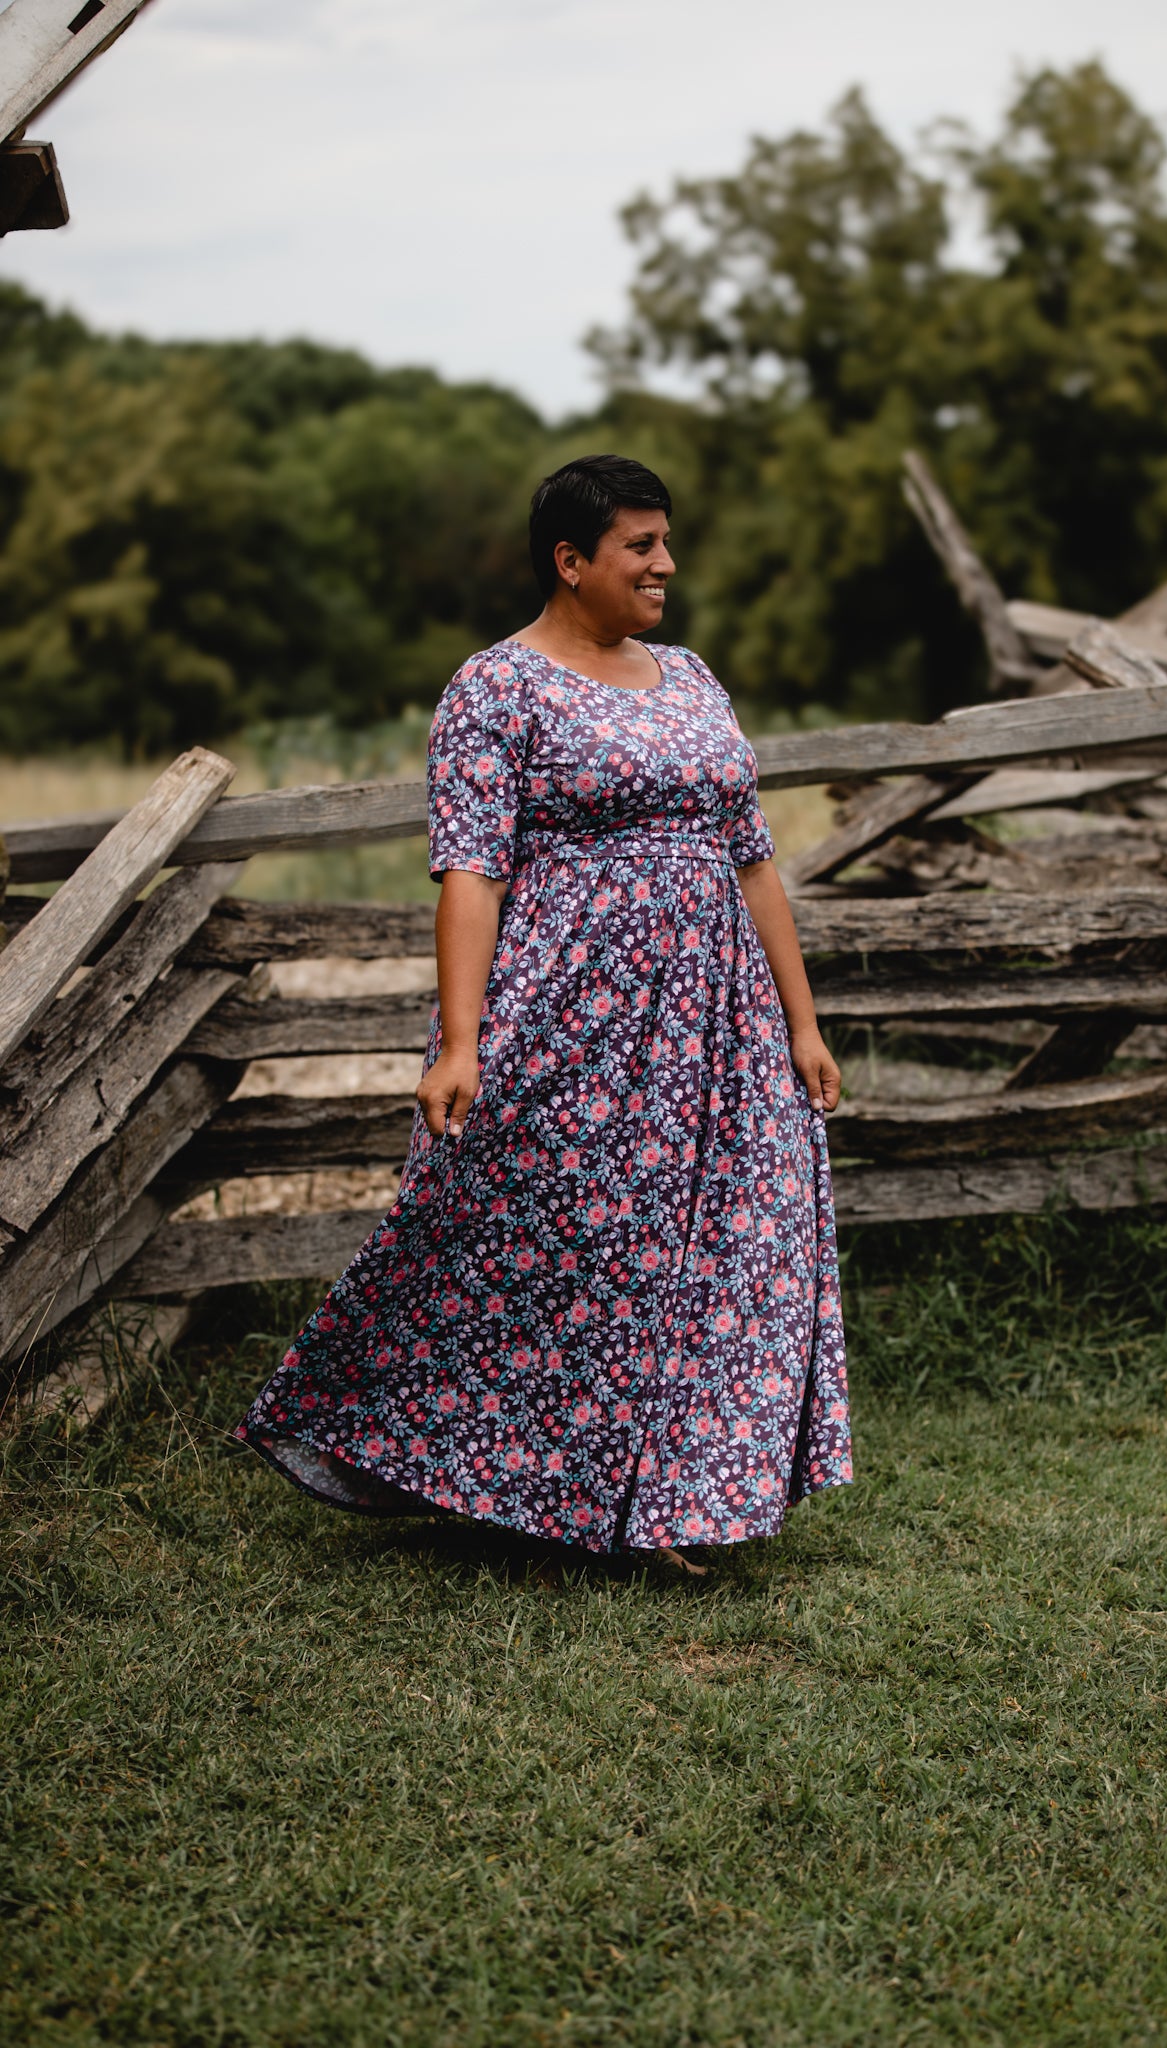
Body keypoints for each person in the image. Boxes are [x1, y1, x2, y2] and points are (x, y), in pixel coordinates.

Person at [236, 454, 852, 1565]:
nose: (666, 564)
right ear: (570, 561)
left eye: (665, 540)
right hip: (572, 1014)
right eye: (640, 545)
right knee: (561, 1240)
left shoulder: (694, 678)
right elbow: (471, 871)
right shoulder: (495, 687)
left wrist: (801, 1024)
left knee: (727, 1245)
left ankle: (674, 1501)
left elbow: (753, 859)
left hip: (724, 1023)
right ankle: (491, 1467)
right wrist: (462, 1042)